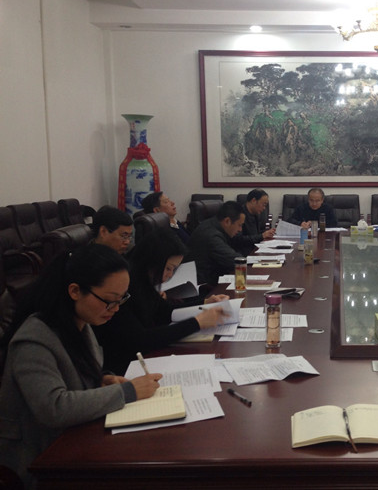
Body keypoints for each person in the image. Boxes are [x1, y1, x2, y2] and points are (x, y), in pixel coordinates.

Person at [0, 245, 161, 488]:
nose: (116, 308)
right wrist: (128, 392)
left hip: (75, 438)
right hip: (40, 460)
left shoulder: (79, 323)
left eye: (122, 299)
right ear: (75, 291)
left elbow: (74, 375)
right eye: (109, 300)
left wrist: (102, 379)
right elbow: (54, 408)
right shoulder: (33, 339)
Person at [93, 229, 228, 375]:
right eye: (168, 268)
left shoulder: (143, 280)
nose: (170, 275)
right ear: (153, 260)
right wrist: (197, 323)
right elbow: (140, 340)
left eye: (174, 270)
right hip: (125, 368)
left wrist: (204, 302)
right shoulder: (126, 285)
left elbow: (165, 311)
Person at [187, 201, 246, 284]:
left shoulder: (213, 224)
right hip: (204, 285)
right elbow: (234, 260)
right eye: (239, 225)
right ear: (227, 221)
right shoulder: (212, 235)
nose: (240, 229)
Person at [232, 189, 276, 256]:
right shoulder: (239, 215)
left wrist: (267, 233)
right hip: (243, 254)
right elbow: (238, 239)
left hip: (255, 249)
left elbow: (255, 233)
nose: (264, 208)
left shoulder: (255, 214)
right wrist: (262, 236)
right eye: (263, 204)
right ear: (254, 201)